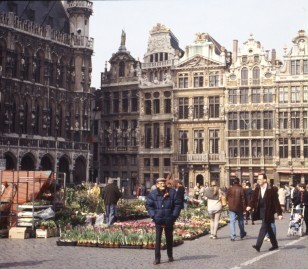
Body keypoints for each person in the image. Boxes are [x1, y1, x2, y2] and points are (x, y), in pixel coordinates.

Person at [146, 177, 182, 265]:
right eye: (160, 183)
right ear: (157, 185)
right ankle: (157, 258)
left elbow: (178, 204)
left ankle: (170, 255)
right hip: (158, 219)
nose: (162, 185)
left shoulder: (172, 192)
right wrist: (154, 216)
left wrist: (174, 216)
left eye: (163, 183)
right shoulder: (153, 194)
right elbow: (149, 205)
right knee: (158, 239)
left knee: (169, 238)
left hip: (169, 219)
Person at [247, 173, 283, 252]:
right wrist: (250, 206)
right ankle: (275, 245)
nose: (258, 180)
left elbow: (276, 202)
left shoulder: (271, 190)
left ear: (264, 180)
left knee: (263, 227)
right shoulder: (257, 188)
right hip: (260, 211)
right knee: (269, 229)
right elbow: (254, 200)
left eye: (260, 179)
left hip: (269, 212)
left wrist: (279, 213)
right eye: (258, 179)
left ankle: (258, 245)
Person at [226, 177, 247, 241]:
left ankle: (233, 236)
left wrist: (229, 203)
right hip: (239, 207)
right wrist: (244, 208)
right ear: (239, 182)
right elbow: (243, 200)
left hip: (232, 207)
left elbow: (227, 197)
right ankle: (242, 233)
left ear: (233, 182)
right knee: (241, 221)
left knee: (232, 221)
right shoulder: (241, 189)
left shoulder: (230, 189)